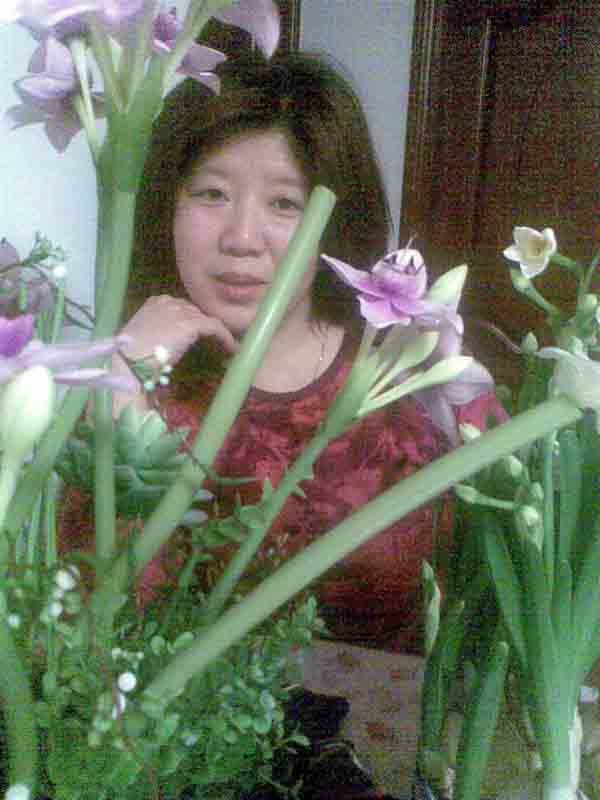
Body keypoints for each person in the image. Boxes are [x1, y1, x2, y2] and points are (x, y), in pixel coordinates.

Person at [63, 51, 505, 654]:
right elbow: (91, 634)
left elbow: (509, 584)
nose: (242, 239)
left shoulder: (419, 372)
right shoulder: (132, 378)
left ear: (335, 220)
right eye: (212, 193)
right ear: (166, 207)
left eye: (285, 203)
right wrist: (122, 382)